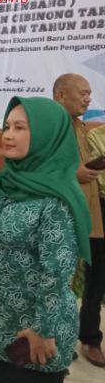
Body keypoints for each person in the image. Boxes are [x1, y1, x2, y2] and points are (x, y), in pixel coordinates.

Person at [0, 96, 90, 383]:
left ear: (46, 135)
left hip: (33, 334)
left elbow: (56, 273)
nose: (8, 134)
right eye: (7, 126)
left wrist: (44, 330)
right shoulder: (8, 184)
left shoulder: (57, 200)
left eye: (21, 128)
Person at [53, 73, 105, 367]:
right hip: (63, 214)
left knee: (85, 280)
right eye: (82, 93)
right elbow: (37, 167)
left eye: (89, 93)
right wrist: (73, 174)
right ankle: (54, 337)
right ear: (61, 95)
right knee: (58, 279)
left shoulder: (82, 127)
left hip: (89, 212)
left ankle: (81, 337)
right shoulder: (51, 127)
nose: (88, 98)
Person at [83, 123, 105, 367]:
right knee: (97, 276)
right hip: (100, 206)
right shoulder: (95, 136)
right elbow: (90, 173)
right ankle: (90, 337)